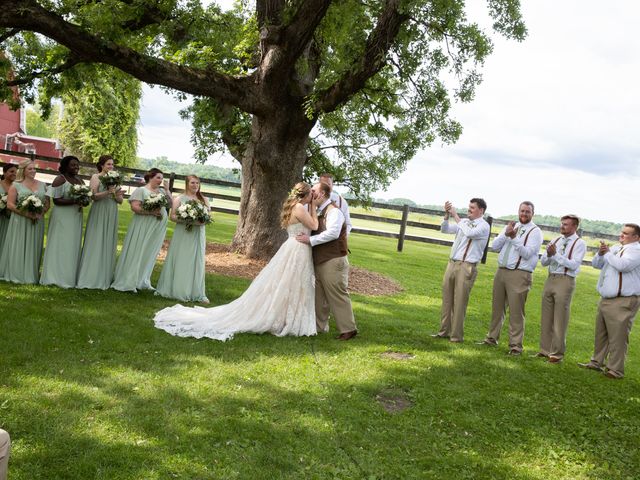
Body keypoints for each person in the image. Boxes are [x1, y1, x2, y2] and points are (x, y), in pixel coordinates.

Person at [154, 181, 319, 340]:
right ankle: (284, 317)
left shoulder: (294, 206)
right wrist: (313, 206)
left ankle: (286, 316)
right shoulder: (299, 208)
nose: (313, 195)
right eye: (311, 192)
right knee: (290, 282)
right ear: (305, 195)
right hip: (297, 249)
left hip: (294, 248)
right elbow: (314, 226)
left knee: (291, 283)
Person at [479, 201, 543, 355]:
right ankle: (491, 338)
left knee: (516, 311)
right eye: (522, 211)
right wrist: (506, 234)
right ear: (518, 211)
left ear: (532, 213)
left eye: (527, 211)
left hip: (520, 274)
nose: (524, 214)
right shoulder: (511, 226)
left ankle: (515, 346)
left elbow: (527, 253)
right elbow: (495, 246)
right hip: (501, 271)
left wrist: (514, 238)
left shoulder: (535, 232)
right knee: (497, 308)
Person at [578, 223, 640, 379]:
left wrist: (607, 254)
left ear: (636, 237)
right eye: (621, 232)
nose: (621, 235)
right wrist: (600, 254)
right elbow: (597, 265)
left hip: (624, 300)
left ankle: (615, 370)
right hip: (606, 298)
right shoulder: (615, 249)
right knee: (601, 334)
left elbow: (623, 266)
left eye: (626, 233)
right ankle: (596, 362)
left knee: (618, 336)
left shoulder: (636, 251)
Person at [297, 182, 358, 340]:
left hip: (334, 260)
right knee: (319, 297)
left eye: (314, 191)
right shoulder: (319, 210)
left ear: (323, 194)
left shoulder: (334, 212)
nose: (311, 193)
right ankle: (319, 327)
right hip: (322, 260)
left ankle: (348, 329)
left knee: (337, 295)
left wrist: (310, 240)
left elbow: (332, 233)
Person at [431, 198, 490, 343]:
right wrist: (447, 215)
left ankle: (456, 336)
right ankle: (444, 331)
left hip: (466, 266)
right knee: (447, 299)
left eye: (472, 207)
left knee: (459, 302)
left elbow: (470, 233)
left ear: (481, 210)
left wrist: (456, 216)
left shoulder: (484, 225)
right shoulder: (464, 222)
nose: (469, 209)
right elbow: (445, 229)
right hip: (452, 264)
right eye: (469, 207)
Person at [533, 215, 586, 363]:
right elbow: (543, 261)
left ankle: (557, 354)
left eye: (566, 224)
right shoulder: (556, 240)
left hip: (565, 279)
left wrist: (555, 255)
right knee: (546, 316)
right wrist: (549, 255)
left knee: (560, 318)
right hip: (550, 278)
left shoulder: (579, 243)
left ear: (575, 227)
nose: (562, 226)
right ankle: (544, 350)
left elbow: (574, 264)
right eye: (562, 224)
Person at [111, 168, 171, 292]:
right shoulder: (141, 190)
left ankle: (143, 280)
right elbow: (135, 208)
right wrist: (151, 213)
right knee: (138, 250)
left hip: (158, 226)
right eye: (158, 177)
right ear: (150, 177)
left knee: (150, 252)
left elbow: (170, 204)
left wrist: (167, 190)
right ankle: (129, 281)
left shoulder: (161, 191)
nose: (160, 180)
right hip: (143, 224)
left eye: (161, 178)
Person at [155, 175, 210, 303]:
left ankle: (197, 292)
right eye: (192, 183)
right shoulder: (179, 199)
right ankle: (177, 289)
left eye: (197, 183)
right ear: (187, 184)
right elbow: (172, 216)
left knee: (196, 261)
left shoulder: (204, 199)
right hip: (183, 233)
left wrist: (199, 221)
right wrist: (187, 219)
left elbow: (208, 217)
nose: (195, 185)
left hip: (198, 234)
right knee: (181, 258)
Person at [77, 155, 124, 289]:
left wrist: (115, 193)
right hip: (99, 210)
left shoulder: (115, 179)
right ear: (102, 165)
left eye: (112, 164)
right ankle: (90, 276)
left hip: (111, 211)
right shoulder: (96, 177)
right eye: (108, 164)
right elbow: (93, 196)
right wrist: (108, 192)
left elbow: (120, 201)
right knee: (96, 239)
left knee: (108, 240)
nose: (111, 167)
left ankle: (104, 276)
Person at [0, 159, 50, 283]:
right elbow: (10, 205)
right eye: (30, 169)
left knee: (34, 245)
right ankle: (17, 273)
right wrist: (27, 214)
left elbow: (48, 204)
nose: (33, 171)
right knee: (19, 244)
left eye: (34, 168)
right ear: (24, 171)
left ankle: (31, 274)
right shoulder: (16, 185)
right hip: (20, 221)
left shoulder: (43, 185)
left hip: (37, 221)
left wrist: (40, 214)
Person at [40, 155, 87, 288]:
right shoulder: (60, 179)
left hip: (75, 217)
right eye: (73, 165)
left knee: (72, 244)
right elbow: (56, 200)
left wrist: (84, 201)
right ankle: (54, 276)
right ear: (65, 166)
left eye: (77, 165)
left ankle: (69, 277)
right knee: (59, 244)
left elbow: (85, 197)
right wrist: (75, 201)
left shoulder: (80, 180)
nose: (76, 167)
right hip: (61, 217)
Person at [0, 163, 18, 252]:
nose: (14, 174)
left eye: (16, 172)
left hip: (11, 219)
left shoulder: (18, 187)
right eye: (11, 171)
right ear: (4, 172)